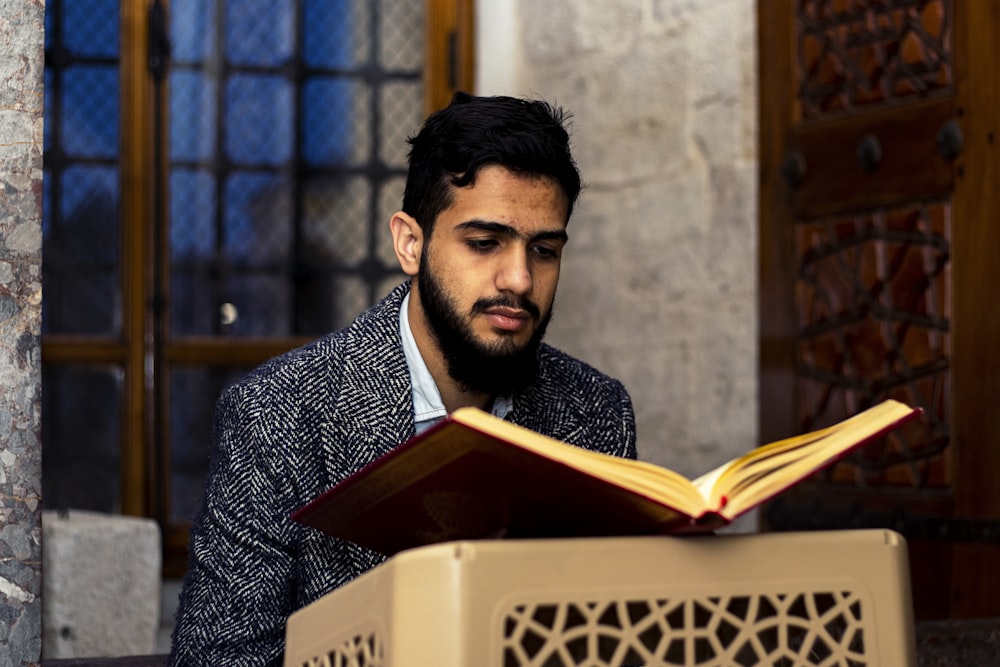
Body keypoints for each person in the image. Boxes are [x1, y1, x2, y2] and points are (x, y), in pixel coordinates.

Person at [168, 92, 637, 666]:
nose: (519, 278)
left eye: (544, 249)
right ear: (410, 244)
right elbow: (220, 659)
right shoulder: (277, 414)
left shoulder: (596, 412)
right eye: (484, 243)